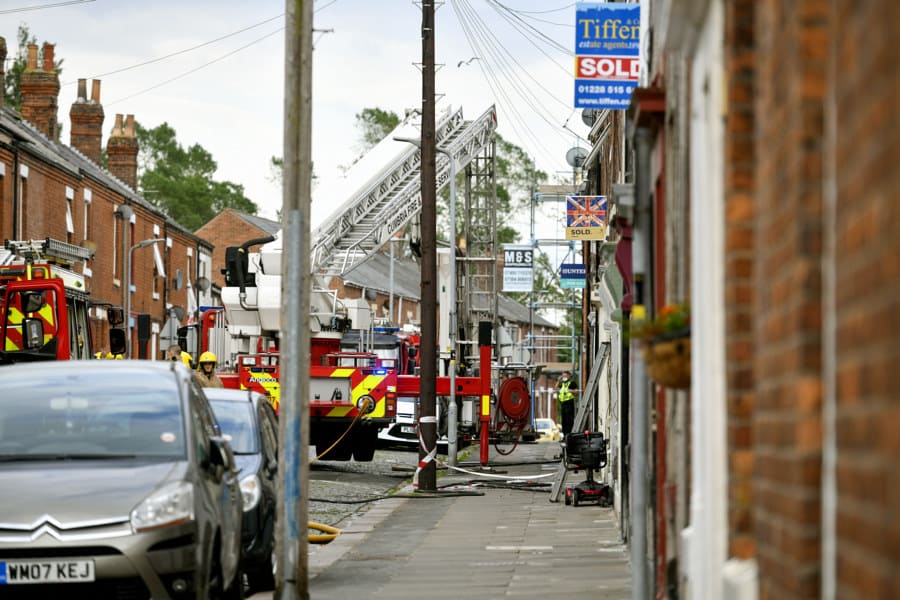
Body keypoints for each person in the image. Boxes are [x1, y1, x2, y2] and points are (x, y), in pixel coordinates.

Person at [556, 371, 577, 438]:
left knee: (569, 420)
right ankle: (565, 435)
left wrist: (571, 391)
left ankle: (569, 435)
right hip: (563, 404)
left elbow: (576, 392)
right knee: (564, 421)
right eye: (563, 376)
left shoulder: (572, 383)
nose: (564, 377)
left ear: (569, 376)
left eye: (565, 376)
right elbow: (556, 388)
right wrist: (558, 381)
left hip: (569, 403)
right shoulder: (562, 384)